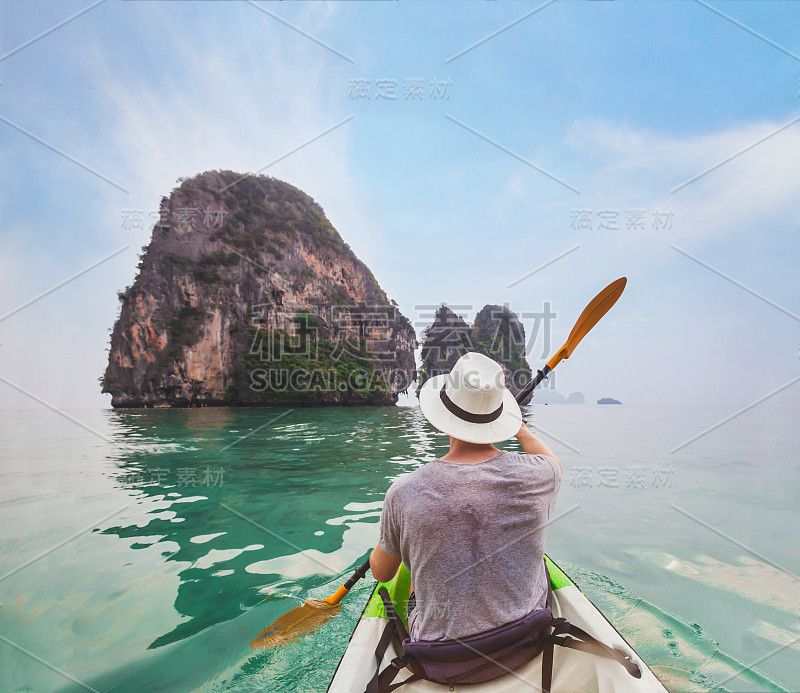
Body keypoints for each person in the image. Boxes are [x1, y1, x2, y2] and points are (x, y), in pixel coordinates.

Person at [369, 351, 562, 642]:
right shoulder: (540, 476)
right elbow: (555, 464)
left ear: (442, 417)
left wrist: (389, 538)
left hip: (443, 659)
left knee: (408, 576)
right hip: (526, 642)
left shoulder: (402, 492)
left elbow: (382, 573)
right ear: (500, 418)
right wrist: (519, 428)